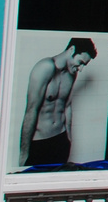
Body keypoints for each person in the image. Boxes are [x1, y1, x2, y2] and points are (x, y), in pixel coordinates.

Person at [19, 38, 97, 167]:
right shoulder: (45, 67)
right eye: (81, 62)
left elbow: (67, 106)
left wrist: (69, 139)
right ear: (71, 50)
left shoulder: (72, 73)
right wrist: (23, 154)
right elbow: (31, 110)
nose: (81, 69)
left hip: (61, 140)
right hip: (41, 142)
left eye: (84, 65)